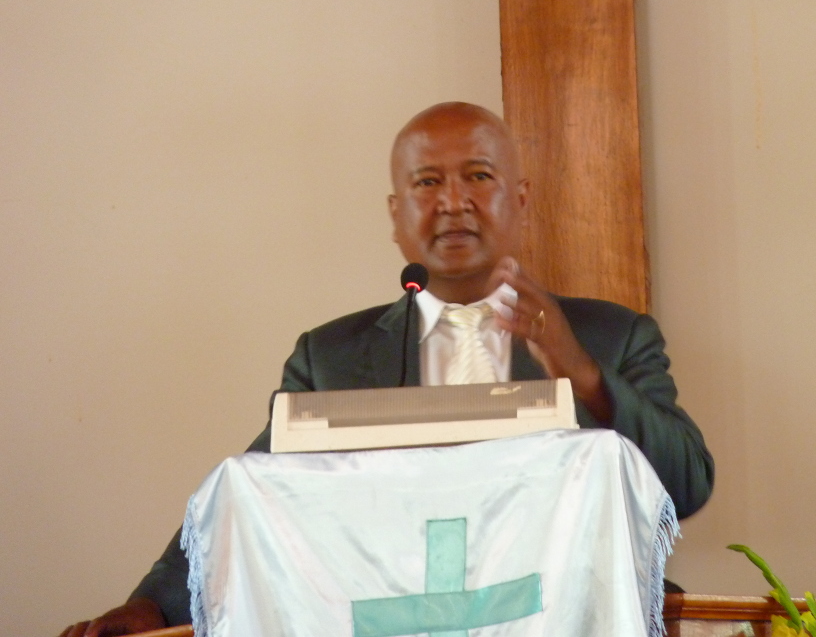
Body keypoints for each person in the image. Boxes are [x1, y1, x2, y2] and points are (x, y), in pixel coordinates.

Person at [60, 102, 714, 636]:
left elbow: (684, 486)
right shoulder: (333, 357)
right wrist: (152, 605)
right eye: (427, 183)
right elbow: (252, 495)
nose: (453, 202)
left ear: (520, 200)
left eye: (478, 176)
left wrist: (583, 373)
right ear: (396, 215)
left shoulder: (611, 335)